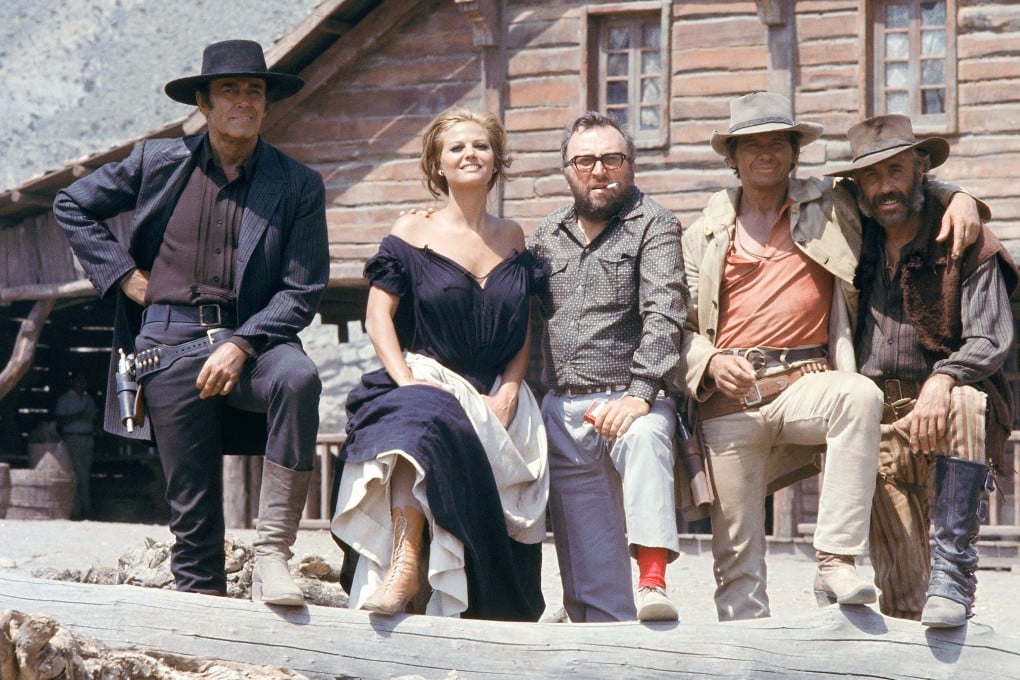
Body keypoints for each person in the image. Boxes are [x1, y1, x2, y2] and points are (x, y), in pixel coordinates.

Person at [677, 92, 984, 622]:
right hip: (729, 398)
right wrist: (705, 360)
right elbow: (675, 327)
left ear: (796, 152)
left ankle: (836, 556)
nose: (765, 153)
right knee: (737, 566)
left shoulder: (832, 206)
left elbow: (896, 188)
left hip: (803, 381)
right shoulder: (700, 233)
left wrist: (958, 196)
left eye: (778, 142)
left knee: (857, 396)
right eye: (751, 145)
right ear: (733, 157)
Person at [53, 39, 328, 606]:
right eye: (230, 89)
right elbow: (70, 205)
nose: (245, 101)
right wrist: (125, 276)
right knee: (195, 521)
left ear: (267, 103)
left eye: (255, 90)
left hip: (257, 338)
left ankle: (274, 556)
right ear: (203, 102)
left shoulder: (297, 183)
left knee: (298, 379)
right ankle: (203, 632)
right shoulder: (159, 162)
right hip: (167, 341)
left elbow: (302, 289)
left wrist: (243, 344)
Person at [331, 108, 548, 621]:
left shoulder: (515, 236)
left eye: (481, 146)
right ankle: (406, 562)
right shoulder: (411, 229)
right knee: (419, 420)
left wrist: (512, 388)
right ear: (437, 163)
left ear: (497, 161)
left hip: (494, 389)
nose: (470, 154)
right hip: (424, 373)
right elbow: (378, 317)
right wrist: (408, 384)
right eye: (457, 148)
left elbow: (522, 327)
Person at [827, 114, 1017, 628]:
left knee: (965, 401)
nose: (885, 186)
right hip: (876, 417)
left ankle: (955, 569)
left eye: (896, 171)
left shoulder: (964, 238)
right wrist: (963, 193)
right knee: (909, 602)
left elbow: (991, 337)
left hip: (945, 410)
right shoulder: (853, 237)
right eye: (871, 176)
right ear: (856, 186)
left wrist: (943, 376)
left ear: (920, 169)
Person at [528, 112, 688, 622]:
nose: (599, 170)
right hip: (563, 408)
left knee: (645, 438)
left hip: (631, 397)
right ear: (568, 169)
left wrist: (640, 393)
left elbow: (666, 312)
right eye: (585, 160)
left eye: (611, 159)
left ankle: (653, 579)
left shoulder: (654, 224)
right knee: (594, 587)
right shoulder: (544, 235)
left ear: (630, 166)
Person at [54, 372, 97, 520]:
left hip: (88, 438)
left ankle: (85, 509)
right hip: (72, 438)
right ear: (72, 382)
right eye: (79, 380)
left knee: (85, 474)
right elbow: (59, 421)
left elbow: (93, 418)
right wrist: (77, 416)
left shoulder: (88, 399)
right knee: (77, 475)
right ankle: (78, 510)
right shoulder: (65, 399)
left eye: (84, 380)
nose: (82, 383)